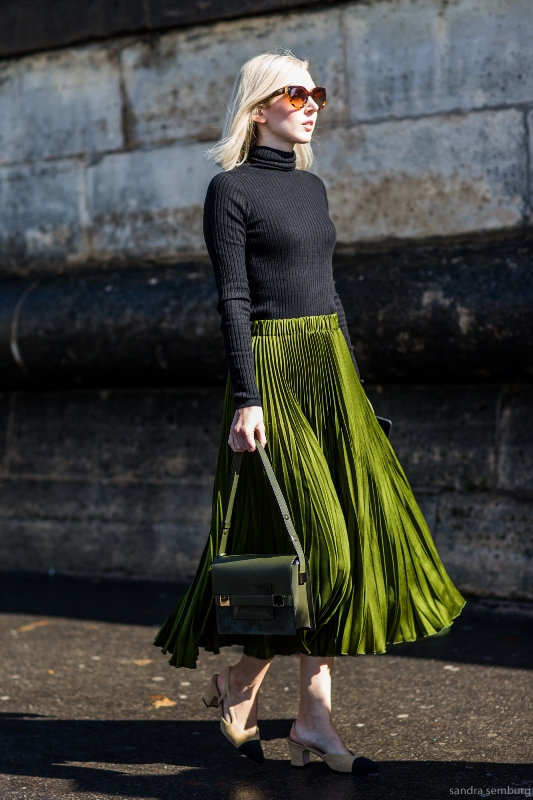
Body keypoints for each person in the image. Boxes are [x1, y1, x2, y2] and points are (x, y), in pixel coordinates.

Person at [154, 50, 465, 774]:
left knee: (345, 545)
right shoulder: (227, 191)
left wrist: (352, 385)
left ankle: (311, 717)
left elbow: (328, 292)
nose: (311, 103)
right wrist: (246, 396)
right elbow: (232, 299)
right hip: (272, 372)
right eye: (295, 93)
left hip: (327, 371)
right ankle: (239, 680)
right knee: (312, 544)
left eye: (315, 91)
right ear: (260, 107)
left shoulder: (313, 186)